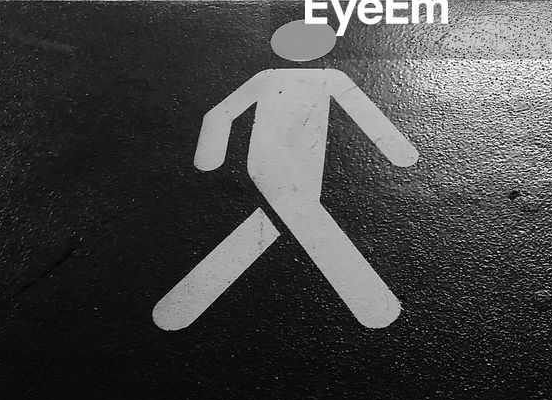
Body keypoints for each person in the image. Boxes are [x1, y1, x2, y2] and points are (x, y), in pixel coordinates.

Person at [153, 20, 417, 331]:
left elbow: (219, 114)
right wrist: (400, 153)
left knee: (270, 222)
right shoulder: (320, 78)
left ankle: (182, 305)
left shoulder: (280, 78)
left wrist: (211, 157)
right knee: (303, 217)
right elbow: (367, 114)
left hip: (276, 164)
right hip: (287, 163)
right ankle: (372, 304)